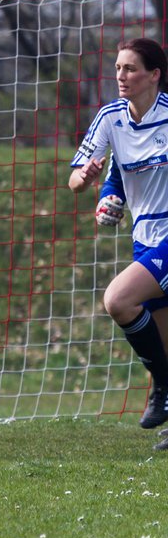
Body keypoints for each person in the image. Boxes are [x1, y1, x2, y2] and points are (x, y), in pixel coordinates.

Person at [70, 37, 168, 440]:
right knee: (164, 344)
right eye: (117, 68)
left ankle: (161, 388)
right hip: (145, 237)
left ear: (154, 75)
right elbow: (77, 179)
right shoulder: (111, 118)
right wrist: (100, 190)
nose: (121, 76)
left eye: (130, 68)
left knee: (117, 299)